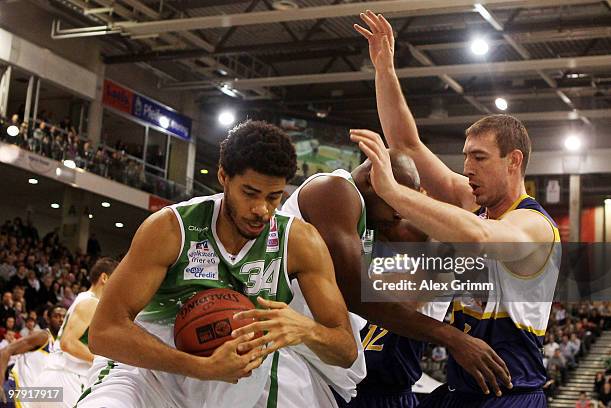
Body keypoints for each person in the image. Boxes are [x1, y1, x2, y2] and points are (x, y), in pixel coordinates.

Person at [352, 10, 560, 407]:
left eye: (479, 158)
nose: (467, 168)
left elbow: (480, 238)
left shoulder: (533, 226)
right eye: (466, 156)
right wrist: (384, 69)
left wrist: (392, 192)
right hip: (462, 389)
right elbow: (408, 146)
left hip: (510, 393)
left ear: (513, 161)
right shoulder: (474, 203)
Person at [76, 120, 357, 408]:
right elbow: (103, 332)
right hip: (148, 374)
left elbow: (346, 350)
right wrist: (200, 367)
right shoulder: (171, 228)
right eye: (250, 193)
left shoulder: (299, 241)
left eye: (273, 197)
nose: (261, 209)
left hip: (236, 383)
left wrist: (307, 330)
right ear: (223, 176)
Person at [269, 151, 510, 408]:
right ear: (374, 181)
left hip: (319, 356)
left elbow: (427, 235)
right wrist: (454, 339)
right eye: (396, 200)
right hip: (286, 349)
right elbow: (357, 294)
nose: (400, 212)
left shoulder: (371, 212)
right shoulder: (334, 192)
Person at [35, 258, 118, 407]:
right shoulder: (91, 302)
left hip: (55, 375)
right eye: (116, 279)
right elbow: (68, 343)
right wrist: (103, 361)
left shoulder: (84, 298)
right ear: (104, 278)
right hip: (66, 378)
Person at [0, 305, 67, 405]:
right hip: (14, 393)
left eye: (64, 317)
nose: (61, 319)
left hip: (32, 397)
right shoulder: (42, 336)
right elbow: (5, 351)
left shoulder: (63, 345)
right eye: (56, 316)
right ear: (48, 319)